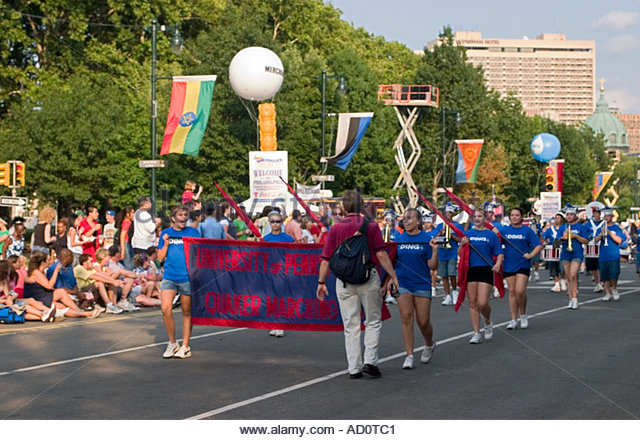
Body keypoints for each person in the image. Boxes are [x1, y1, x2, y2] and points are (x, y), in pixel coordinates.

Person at [316, 190, 399, 379]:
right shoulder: (370, 226)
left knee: (350, 324)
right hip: (368, 278)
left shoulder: (335, 229)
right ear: (362, 206)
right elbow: (380, 254)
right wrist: (393, 275)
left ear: (343, 208)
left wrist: (321, 282)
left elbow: (325, 260)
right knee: (372, 321)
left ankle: (354, 367)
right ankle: (370, 361)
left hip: (344, 282)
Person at [393, 208, 438, 369]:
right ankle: (409, 355)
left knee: (423, 321)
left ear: (418, 221)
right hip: (403, 282)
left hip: (421, 283)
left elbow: (433, 266)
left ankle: (429, 344)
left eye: (410, 218)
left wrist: (434, 251)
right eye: (404, 218)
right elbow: (392, 262)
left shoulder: (426, 239)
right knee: (406, 317)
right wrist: (391, 281)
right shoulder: (398, 239)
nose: (406, 221)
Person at [158, 205, 201, 359]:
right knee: (165, 308)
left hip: (187, 277)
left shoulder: (193, 232)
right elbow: (160, 258)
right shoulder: (166, 233)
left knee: (186, 312)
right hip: (170, 276)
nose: (183, 218)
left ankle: (185, 345)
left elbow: (201, 253)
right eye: (180, 215)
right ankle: (172, 343)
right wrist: (166, 244)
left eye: (185, 215)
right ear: (173, 218)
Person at [460, 208, 503, 344]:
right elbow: (461, 253)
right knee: (472, 303)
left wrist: (497, 265)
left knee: (483, 302)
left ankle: (488, 321)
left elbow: (499, 252)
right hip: (471, 269)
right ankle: (476, 332)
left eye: (480, 216)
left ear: (485, 218)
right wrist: (462, 244)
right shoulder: (468, 234)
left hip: (486, 269)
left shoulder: (491, 235)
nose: (477, 218)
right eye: (475, 216)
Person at [496, 208, 543, 330]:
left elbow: (538, 245)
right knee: (511, 291)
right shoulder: (505, 230)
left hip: (523, 263)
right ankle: (513, 319)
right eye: (512, 215)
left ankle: (523, 314)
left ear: (521, 217)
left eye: (517, 215)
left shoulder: (527, 231)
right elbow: (495, 240)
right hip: (509, 264)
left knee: (520, 291)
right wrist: (494, 231)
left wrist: (531, 255)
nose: (514, 217)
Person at [24, 252, 100, 319]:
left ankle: (82, 313)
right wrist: (56, 271)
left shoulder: (42, 272)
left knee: (61, 306)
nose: (51, 262)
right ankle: (82, 312)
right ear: (43, 263)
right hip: (38, 297)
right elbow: (49, 286)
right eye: (48, 260)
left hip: (44, 295)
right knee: (61, 293)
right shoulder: (36, 272)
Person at [558, 205, 588, 310]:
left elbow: (586, 241)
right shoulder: (563, 227)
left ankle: (575, 298)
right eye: (567, 215)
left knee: (573, 274)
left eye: (571, 214)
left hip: (577, 253)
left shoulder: (581, 227)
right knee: (568, 277)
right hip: (566, 253)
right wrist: (563, 237)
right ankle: (570, 298)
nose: (569, 216)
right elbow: (557, 240)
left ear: (575, 216)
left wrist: (576, 236)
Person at [434, 204, 463, 306]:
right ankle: (447, 296)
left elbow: (461, 239)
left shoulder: (457, 226)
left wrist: (451, 235)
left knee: (451, 273)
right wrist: (442, 233)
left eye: (449, 213)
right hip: (442, 251)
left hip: (452, 251)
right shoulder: (439, 226)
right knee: (444, 275)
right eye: (446, 213)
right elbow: (434, 239)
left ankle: (454, 291)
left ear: (453, 214)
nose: (447, 215)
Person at [595, 208, 624, 301]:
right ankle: (607, 293)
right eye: (605, 216)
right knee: (605, 275)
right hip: (603, 255)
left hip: (614, 255)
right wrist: (601, 234)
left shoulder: (617, 228)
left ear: (611, 217)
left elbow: (619, 240)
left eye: (608, 216)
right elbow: (595, 240)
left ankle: (614, 288)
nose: (606, 218)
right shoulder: (600, 227)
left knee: (614, 274)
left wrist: (609, 233)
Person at [541, 213, 567, 292]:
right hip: (552, 249)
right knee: (553, 267)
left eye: (558, 218)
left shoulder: (564, 227)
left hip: (562, 248)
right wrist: (545, 241)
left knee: (562, 267)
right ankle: (556, 284)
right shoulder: (550, 229)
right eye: (555, 218)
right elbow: (543, 236)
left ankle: (562, 280)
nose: (556, 220)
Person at [585, 207, 605, 293]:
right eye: (595, 213)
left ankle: (601, 282)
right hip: (591, 245)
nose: (597, 215)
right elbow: (585, 233)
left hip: (602, 246)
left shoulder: (604, 223)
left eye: (598, 213)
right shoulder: (588, 223)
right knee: (593, 266)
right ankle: (598, 283)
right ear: (593, 214)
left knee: (600, 265)